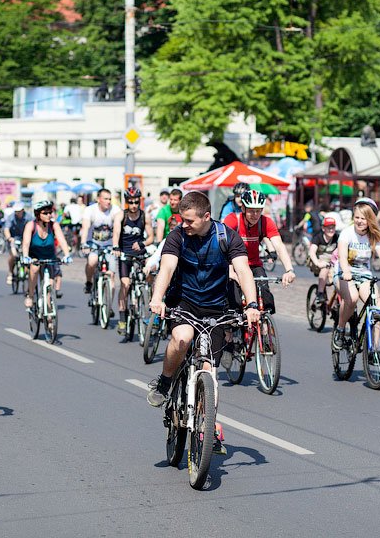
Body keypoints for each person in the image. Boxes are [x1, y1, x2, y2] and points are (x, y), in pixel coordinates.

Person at [146, 191, 260, 453]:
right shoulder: (177, 236)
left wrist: (251, 305)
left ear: (206, 216)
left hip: (217, 309)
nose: (183, 225)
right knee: (183, 339)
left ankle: (207, 425)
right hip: (184, 304)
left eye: (189, 221)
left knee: (209, 372)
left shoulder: (226, 236)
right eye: (181, 220)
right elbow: (167, 268)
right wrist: (157, 298)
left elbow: (243, 270)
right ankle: (165, 381)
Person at [334, 197, 380, 348]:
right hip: (344, 273)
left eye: (363, 218)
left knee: (376, 306)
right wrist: (346, 272)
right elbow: (342, 257)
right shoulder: (346, 233)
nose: (359, 221)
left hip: (364, 275)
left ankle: (375, 347)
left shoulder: (374, 236)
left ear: (370, 219)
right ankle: (340, 329)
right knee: (352, 299)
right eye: (357, 217)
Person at [223, 189, 296, 315]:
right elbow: (222, 247)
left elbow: (279, 245)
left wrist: (289, 270)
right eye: (251, 210)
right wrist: (230, 271)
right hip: (234, 266)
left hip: (255, 265)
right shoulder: (233, 220)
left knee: (265, 296)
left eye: (258, 210)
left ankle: (264, 328)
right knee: (233, 303)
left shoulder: (265, 222)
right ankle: (232, 330)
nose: (255, 214)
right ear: (243, 209)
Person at [112, 187, 154, 338]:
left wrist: (143, 244)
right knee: (125, 284)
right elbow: (116, 233)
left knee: (150, 274)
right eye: (131, 202)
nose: (134, 205)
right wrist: (116, 247)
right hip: (124, 254)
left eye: (136, 202)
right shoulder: (120, 216)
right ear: (126, 202)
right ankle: (123, 319)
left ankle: (150, 306)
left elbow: (151, 236)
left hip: (140, 254)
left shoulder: (145, 216)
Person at [21, 200, 72, 309]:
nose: (49, 215)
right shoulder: (31, 225)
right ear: (38, 214)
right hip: (35, 256)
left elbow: (62, 240)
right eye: (45, 213)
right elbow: (25, 243)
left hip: (50, 257)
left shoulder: (54, 225)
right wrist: (25, 256)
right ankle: (30, 295)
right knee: (34, 269)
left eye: (50, 212)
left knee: (50, 285)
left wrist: (67, 255)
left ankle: (49, 316)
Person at [80, 188, 121, 296]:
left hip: (109, 245)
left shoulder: (115, 210)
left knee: (111, 275)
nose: (108, 201)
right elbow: (85, 227)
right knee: (92, 261)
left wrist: (116, 245)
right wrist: (84, 243)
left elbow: (117, 228)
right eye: (105, 199)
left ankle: (109, 307)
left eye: (110, 199)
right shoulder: (90, 210)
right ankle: (89, 281)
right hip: (93, 243)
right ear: (98, 199)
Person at [307, 216, 339, 304]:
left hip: (332, 262)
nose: (331, 230)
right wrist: (317, 262)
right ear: (323, 228)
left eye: (333, 227)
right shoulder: (318, 237)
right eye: (328, 227)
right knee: (325, 268)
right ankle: (320, 293)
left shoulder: (337, 237)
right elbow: (312, 252)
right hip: (317, 262)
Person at [4, 203, 32, 285]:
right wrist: (9, 238)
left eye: (19, 211)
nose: (17, 213)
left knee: (28, 256)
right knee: (13, 255)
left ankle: (28, 273)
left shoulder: (29, 217)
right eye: (16, 211)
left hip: (25, 238)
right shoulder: (11, 217)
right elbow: (6, 229)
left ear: (23, 210)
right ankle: (10, 272)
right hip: (14, 238)